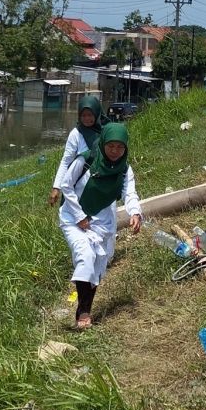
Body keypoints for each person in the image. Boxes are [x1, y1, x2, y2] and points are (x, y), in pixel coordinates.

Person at [56, 122, 142, 329]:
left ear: (126, 148)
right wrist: (79, 216)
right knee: (85, 255)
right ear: (103, 143)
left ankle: (87, 307)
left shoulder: (124, 169)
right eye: (111, 146)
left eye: (120, 147)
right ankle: (82, 312)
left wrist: (135, 212)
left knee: (97, 265)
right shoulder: (87, 160)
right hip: (73, 219)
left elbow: (129, 193)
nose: (115, 151)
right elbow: (66, 185)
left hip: (101, 222)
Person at [49, 95, 106, 206]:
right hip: (77, 185)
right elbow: (66, 161)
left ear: (97, 113)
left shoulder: (106, 132)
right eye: (83, 115)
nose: (86, 119)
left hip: (99, 184)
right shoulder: (76, 134)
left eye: (90, 115)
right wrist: (56, 188)